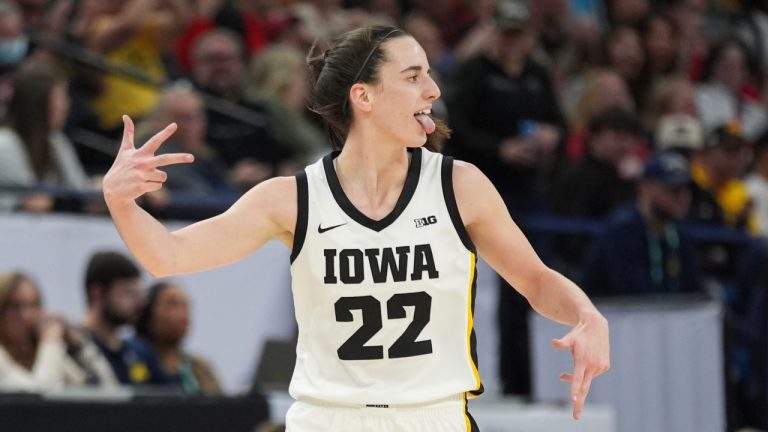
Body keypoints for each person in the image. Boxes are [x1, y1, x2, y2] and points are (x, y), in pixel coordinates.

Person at [103, 25, 609, 430]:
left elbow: (536, 280)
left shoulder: (460, 186)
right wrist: (122, 203)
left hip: (434, 417)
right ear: (363, 97)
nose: (433, 90)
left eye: (429, 74)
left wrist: (586, 314)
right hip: (329, 419)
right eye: (413, 76)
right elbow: (167, 256)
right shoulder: (292, 198)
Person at [581, 152, 703, 297]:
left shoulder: (680, 233)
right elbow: (631, 293)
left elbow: (693, 288)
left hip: (661, 310)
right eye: (673, 189)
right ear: (644, 188)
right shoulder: (622, 231)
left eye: (687, 189)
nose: (683, 197)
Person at [80, 251, 169, 387]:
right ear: (97, 293)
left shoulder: (140, 352)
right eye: (128, 293)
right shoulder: (74, 349)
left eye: (139, 293)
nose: (140, 303)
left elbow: (171, 397)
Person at [0, 271, 86, 391]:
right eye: (16, 306)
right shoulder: (48, 345)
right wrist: (51, 341)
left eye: (34, 305)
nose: (27, 316)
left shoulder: (39, 349)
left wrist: (77, 347)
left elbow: (85, 386)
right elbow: (39, 396)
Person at [135, 281, 222, 395]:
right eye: (172, 304)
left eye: (186, 306)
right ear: (148, 312)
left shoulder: (200, 369)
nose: (182, 314)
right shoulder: (131, 361)